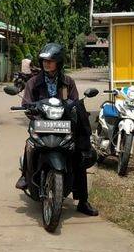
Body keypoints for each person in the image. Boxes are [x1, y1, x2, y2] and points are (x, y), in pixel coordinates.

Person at [15, 43, 99, 216]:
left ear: (59, 62)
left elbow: (76, 102)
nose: (47, 64)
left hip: (64, 124)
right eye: (44, 60)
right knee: (30, 144)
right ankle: (25, 175)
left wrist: (75, 109)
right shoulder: (33, 82)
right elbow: (26, 103)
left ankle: (83, 200)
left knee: (78, 155)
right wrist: (31, 109)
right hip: (42, 123)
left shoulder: (68, 82)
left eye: (51, 61)